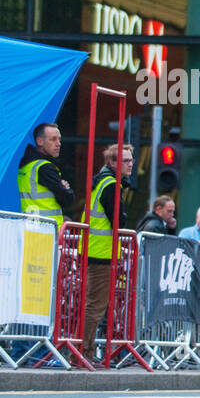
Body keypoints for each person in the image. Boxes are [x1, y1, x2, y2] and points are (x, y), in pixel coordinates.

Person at [81, 143, 134, 360]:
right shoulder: (111, 184)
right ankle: (84, 352)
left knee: (92, 304)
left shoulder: (102, 181)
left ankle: (84, 350)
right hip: (101, 252)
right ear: (112, 163)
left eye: (131, 160)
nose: (131, 164)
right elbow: (117, 220)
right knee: (95, 306)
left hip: (92, 249)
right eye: (126, 161)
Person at [18, 122, 80, 226]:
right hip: (47, 230)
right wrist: (66, 189)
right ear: (39, 141)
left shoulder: (26, 166)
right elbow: (68, 200)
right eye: (53, 139)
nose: (58, 143)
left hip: (30, 227)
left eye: (59, 139)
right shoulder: (45, 167)